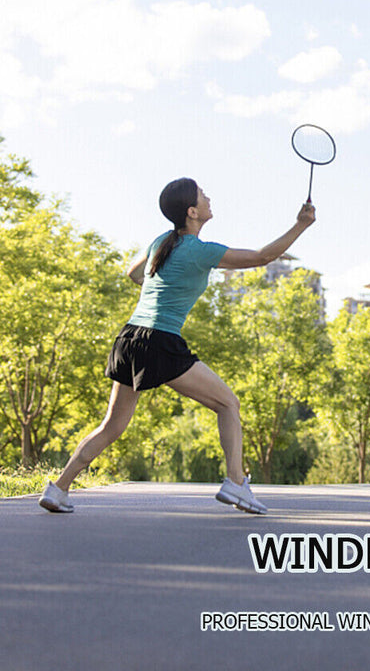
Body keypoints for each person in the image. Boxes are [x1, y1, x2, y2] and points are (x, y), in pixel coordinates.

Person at [39, 177, 315, 515]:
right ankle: (236, 484)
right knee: (228, 404)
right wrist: (301, 224)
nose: (209, 197)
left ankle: (58, 488)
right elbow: (262, 257)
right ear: (192, 212)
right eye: (203, 195)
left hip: (129, 338)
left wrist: (161, 282)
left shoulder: (161, 242)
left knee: (112, 426)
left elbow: (133, 274)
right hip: (160, 341)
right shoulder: (201, 252)